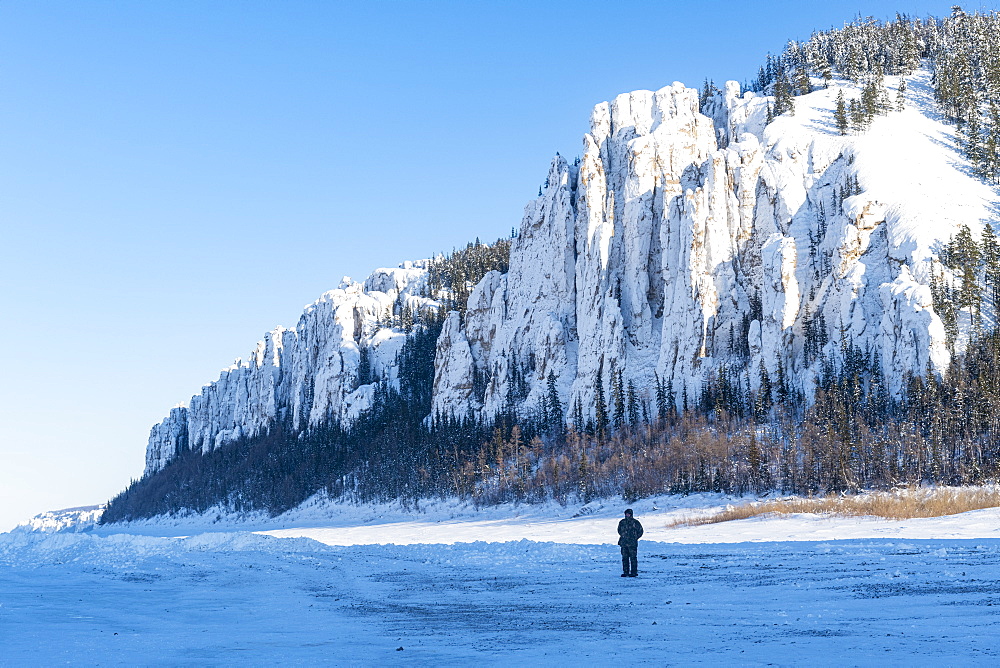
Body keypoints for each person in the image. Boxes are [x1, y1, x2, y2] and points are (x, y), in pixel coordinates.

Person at [617, 508, 643, 577]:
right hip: (624, 543)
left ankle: (634, 572)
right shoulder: (622, 522)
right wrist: (623, 536)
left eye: (628, 514)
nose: (627, 515)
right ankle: (626, 572)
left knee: (633, 558)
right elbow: (619, 530)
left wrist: (635, 538)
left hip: (632, 544)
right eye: (626, 514)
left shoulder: (635, 522)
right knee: (624, 558)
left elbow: (640, 531)